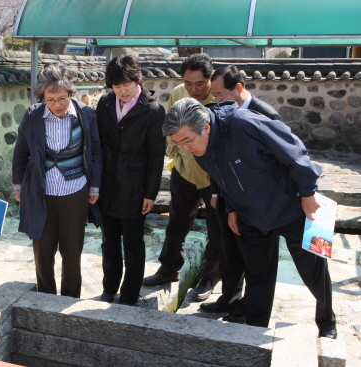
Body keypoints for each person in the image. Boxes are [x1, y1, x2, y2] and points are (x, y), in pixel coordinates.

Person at [162, 98, 336, 339]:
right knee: (257, 276)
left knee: (313, 270)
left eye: (187, 140)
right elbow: (223, 179)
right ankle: (255, 331)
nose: (185, 148)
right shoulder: (199, 146)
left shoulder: (245, 123)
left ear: (206, 127)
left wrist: (307, 193)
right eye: (178, 143)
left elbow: (293, 150)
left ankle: (327, 324)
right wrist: (232, 209)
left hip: (291, 207)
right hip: (249, 214)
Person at [199, 65, 282, 323]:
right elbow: (215, 154)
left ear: (238, 88)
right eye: (214, 97)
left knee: (256, 260)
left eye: (221, 95)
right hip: (227, 195)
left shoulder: (264, 115)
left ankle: (247, 307)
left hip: (257, 203)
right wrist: (215, 192)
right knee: (229, 252)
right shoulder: (220, 116)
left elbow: (280, 163)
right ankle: (229, 299)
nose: (217, 101)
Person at [12, 63, 102, 299]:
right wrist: (18, 186)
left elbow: (95, 153)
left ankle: (70, 299)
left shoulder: (86, 115)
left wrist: (94, 186)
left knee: (72, 252)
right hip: (41, 191)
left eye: (62, 98)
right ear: (43, 96)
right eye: (50, 99)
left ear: (70, 93)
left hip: (76, 191)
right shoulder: (33, 116)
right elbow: (21, 152)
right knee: (43, 250)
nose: (57, 105)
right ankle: (45, 297)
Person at [143, 53, 221, 303]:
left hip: (214, 176)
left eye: (199, 83)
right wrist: (176, 154)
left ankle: (210, 277)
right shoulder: (179, 93)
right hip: (184, 170)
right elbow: (170, 127)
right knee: (177, 222)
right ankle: (168, 269)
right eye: (189, 83)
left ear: (210, 79)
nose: (193, 89)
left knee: (216, 227)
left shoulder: (219, 96)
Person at [96, 55, 165, 305]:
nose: (122, 91)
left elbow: (157, 155)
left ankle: (130, 294)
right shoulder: (104, 103)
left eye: (126, 84)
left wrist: (150, 193)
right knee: (109, 241)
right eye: (116, 86)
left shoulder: (152, 109)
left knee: (133, 244)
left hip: (135, 187)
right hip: (108, 185)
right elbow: (98, 145)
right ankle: (109, 286)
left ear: (138, 80)